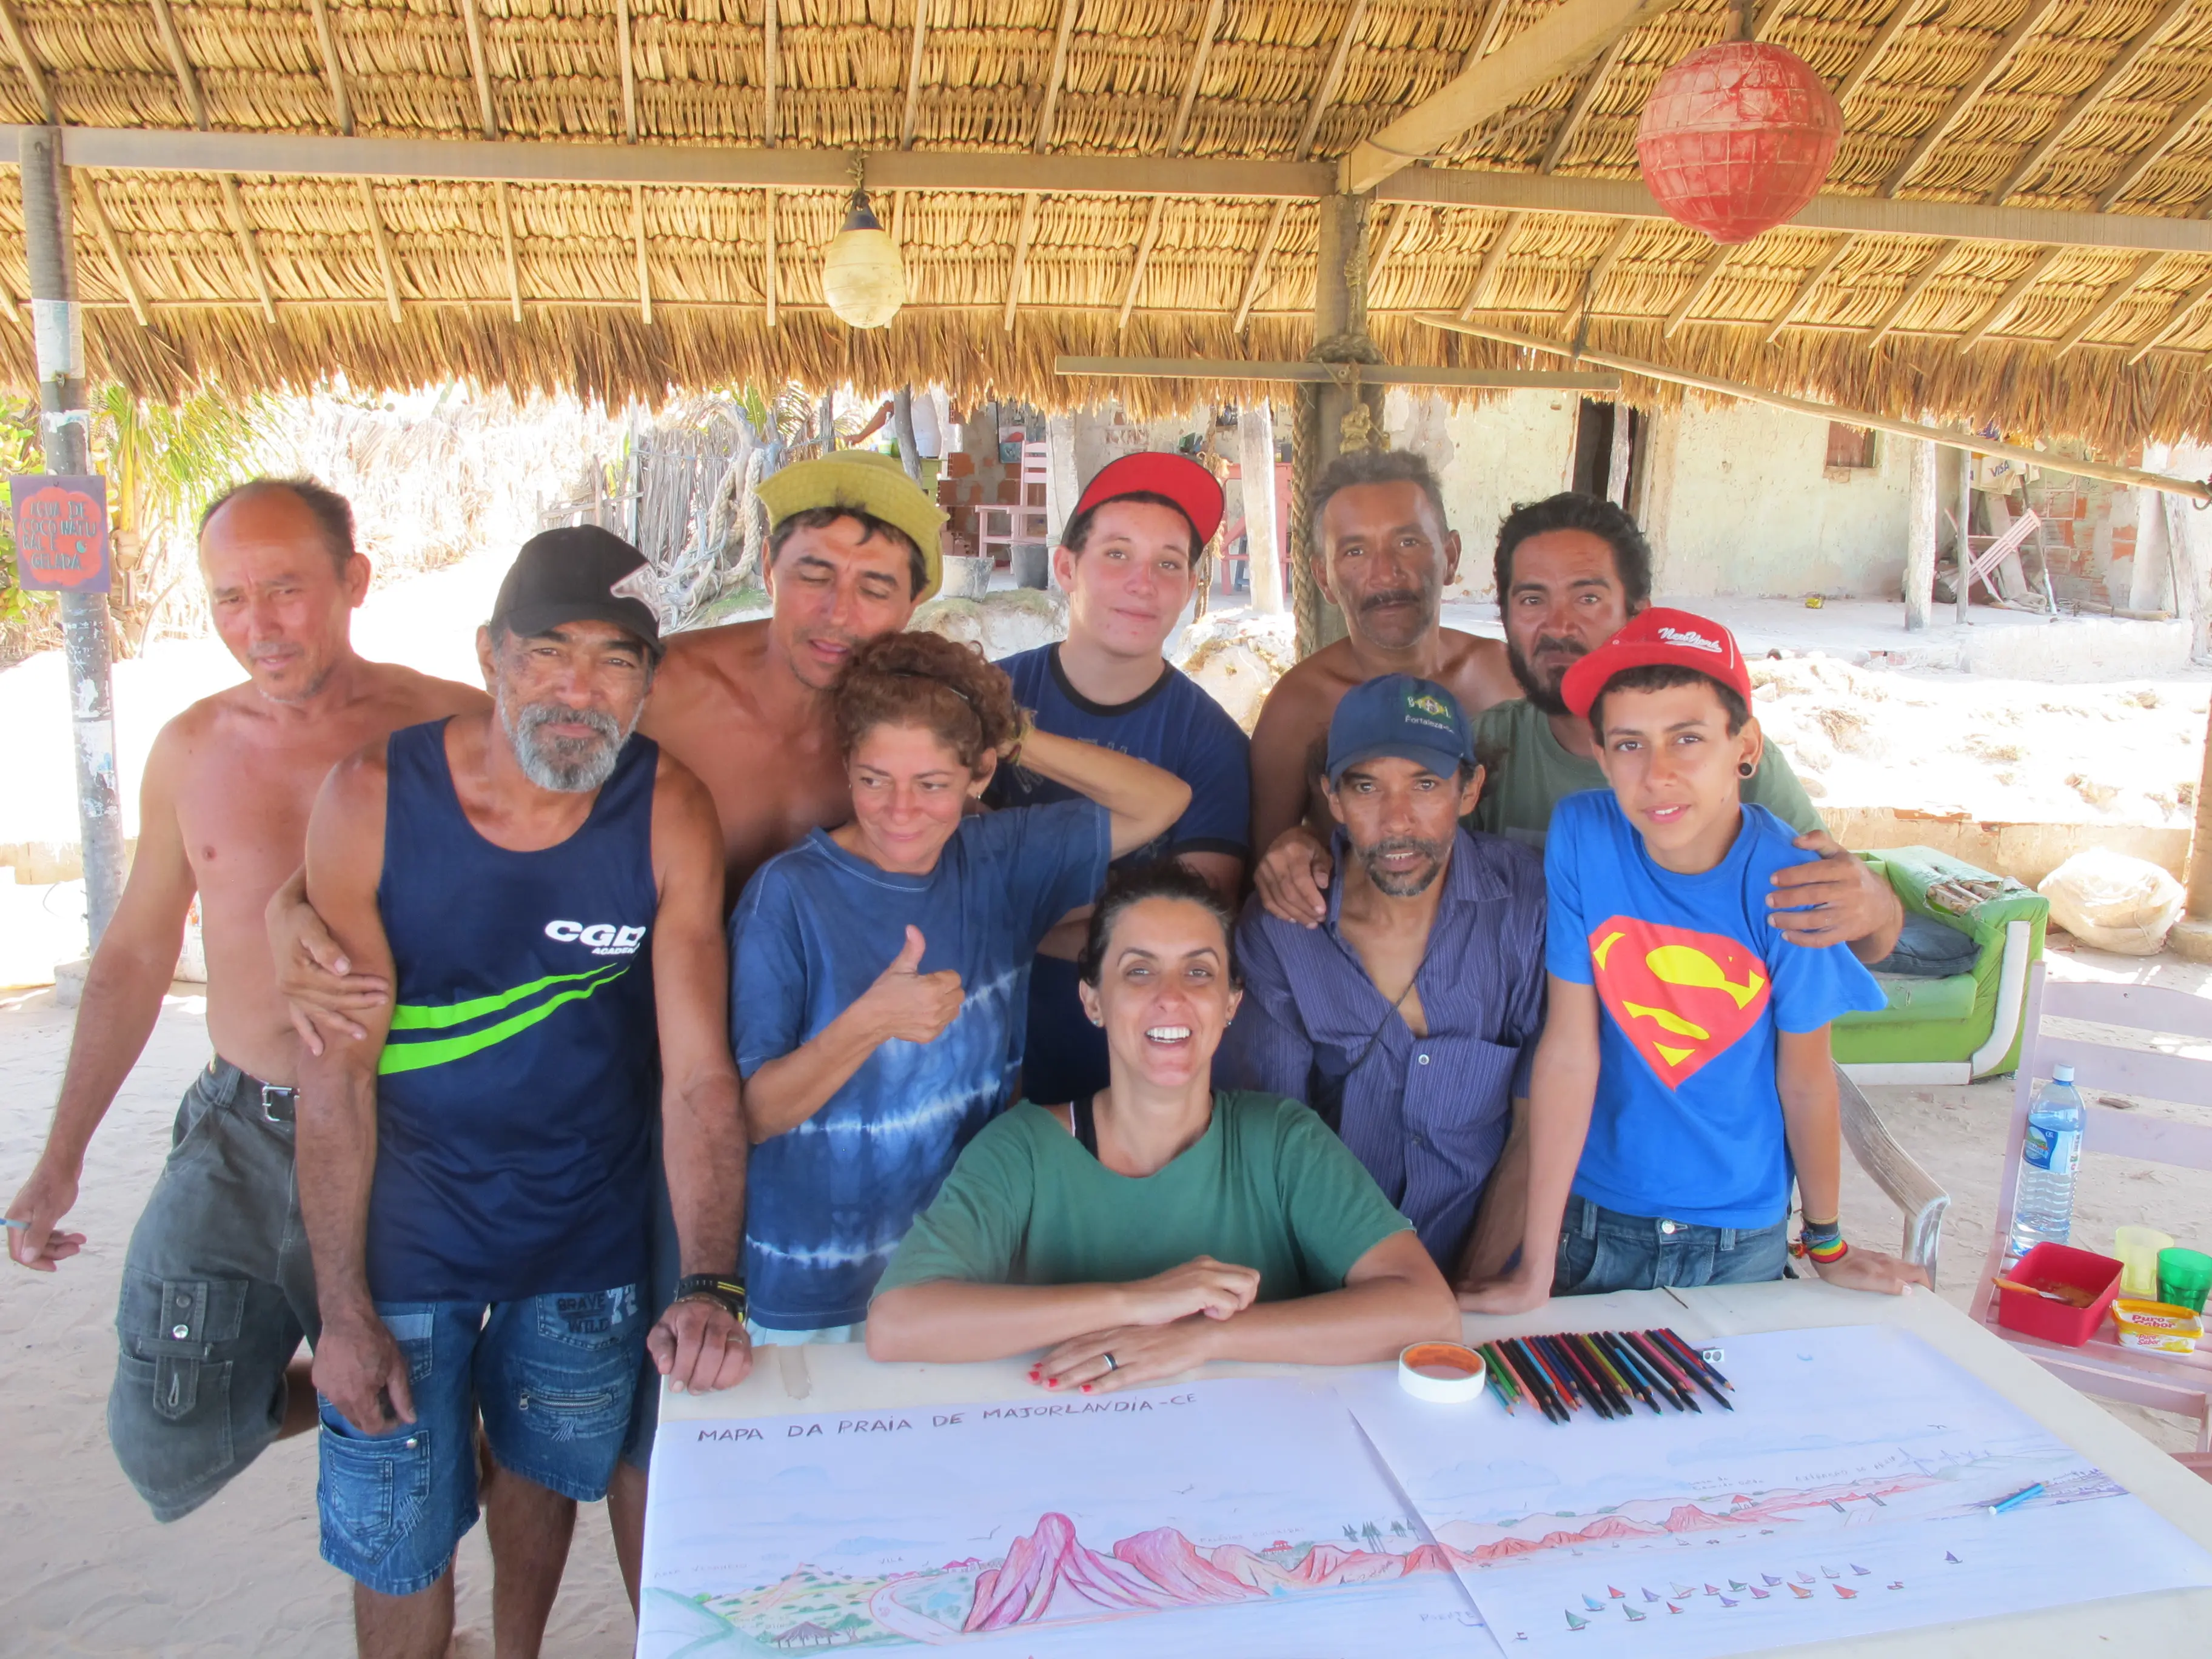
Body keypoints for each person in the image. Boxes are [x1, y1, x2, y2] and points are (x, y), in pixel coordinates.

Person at [264, 448, 947, 1595]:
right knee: (459, 1491)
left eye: (875, 586)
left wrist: (711, 1276)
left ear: (914, 604)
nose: (840, 610)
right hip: (519, 1139)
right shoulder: (650, 702)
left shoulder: (875, 736)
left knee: (600, 1433)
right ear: (769, 571)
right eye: (814, 572)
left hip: (703, 1117)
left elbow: (988, 781)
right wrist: (297, 902)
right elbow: (462, 766)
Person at [295, 528, 751, 1658]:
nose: (575, 691)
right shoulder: (373, 799)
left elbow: (697, 1074)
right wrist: (342, 1308)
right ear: (489, 655)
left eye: (612, 662)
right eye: (547, 654)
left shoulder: (665, 812)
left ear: (648, 683)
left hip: (581, 1228)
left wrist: (707, 1281)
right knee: (397, 1522)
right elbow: (335, 1073)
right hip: (409, 1228)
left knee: (546, 1474)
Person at [3, 479, 485, 1524]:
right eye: (229, 598)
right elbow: (134, 954)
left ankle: (444, 1429)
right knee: (166, 1427)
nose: (257, 627)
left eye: (284, 590)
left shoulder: (452, 725)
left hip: (403, 1130)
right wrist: (61, 1156)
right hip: (242, 1120)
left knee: (404, 1455)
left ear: (353, 582)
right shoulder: (190, 747)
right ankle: (437, 1411)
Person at [1457, 609, 1931, 1312]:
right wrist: (1534, 1261)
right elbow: (1568, 1050)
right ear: (1599, 751)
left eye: (1688, 739)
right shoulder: (1584, 836)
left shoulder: (1790, 880)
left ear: (1746, 747)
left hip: (1739, 1237)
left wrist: (1826, 1243)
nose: (1658, 774)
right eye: (1630, 744)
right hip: (1594, 1219)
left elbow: (1805, 1081)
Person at [733, 630, 1191, 1342]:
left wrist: (1015, 737)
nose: (901, 809)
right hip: (811, 1289)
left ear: (979, 775)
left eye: (933, 784)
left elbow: (1162, 800)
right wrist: (872, 1022)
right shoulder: (786, 896)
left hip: (962, 1273)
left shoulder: (999, 860)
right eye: (874, 779)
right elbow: (757, 1114)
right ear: (847, 766)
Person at [1255, 491, 1906, 967]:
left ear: (1637, 613)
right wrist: (1304, 850)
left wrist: (1873, 905)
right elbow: (1390, 866)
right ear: (1505, 613)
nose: (1557, 625)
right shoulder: (1483, 752)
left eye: (1588, 598)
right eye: (1532, 599)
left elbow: (1862, 932)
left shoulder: (1721, 765)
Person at [866, 860, 1460, 1382]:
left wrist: (1204, 1339)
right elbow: (897, 1323)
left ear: (1230, 1003)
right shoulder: (1022, 1148)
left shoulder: (1283, 1140)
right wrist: (1136, 1301)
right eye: (1139, 971)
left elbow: (1428, 1312)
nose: (1171, 997)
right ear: (1093, 1000)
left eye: (1198, 972)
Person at [1218, 675, 1546, 1290]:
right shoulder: (1284, 933)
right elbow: (1270, 1141)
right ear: (1333, 799)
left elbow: (1540, 1126)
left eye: (1425, 785)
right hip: (1332, 1278)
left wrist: (1462, 1299)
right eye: (1367, 787)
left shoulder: (1528, 908)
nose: (1398, 821)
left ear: (1470, 789)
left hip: (1488, 1277)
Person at [988, 451, 1252, 1105]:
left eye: (1168, 563)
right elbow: (927, 868)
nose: (1144, 583)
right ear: (1065, 568)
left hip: (1127, 1075)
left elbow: (1190, 928)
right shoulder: (987, 696)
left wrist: (1006, 907)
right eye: (1116, 555)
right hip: (975, 1045)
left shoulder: (1211, 741)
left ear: (1191, 587)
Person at [1246, 448, 1520, 859]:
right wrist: (1297, 844)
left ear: (1450, 556)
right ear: (1324, 577)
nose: (1385, 572)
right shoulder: (1299, 708)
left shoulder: (1505, 675)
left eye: (1407, 542)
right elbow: (1263, 868)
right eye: (1355, 552)